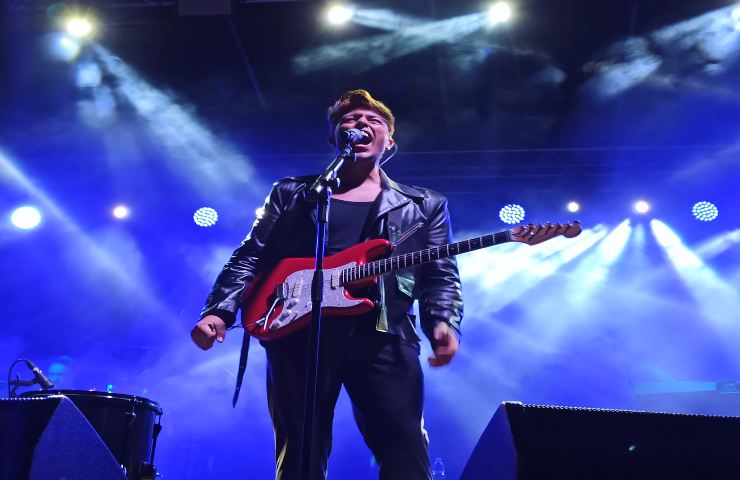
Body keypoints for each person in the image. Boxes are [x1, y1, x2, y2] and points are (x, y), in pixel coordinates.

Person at [191, 89, 463, 480]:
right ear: (333, 138)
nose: (360, 123)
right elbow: (251, 255)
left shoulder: (424, 205)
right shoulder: (293, 194)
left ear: (390, 141)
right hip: (299, 331)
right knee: (300, 451)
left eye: (373, 120)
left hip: (385, 334)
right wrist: (219, 310)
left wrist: (443, 321)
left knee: (405, 451)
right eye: (349, 120)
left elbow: (440, 272)